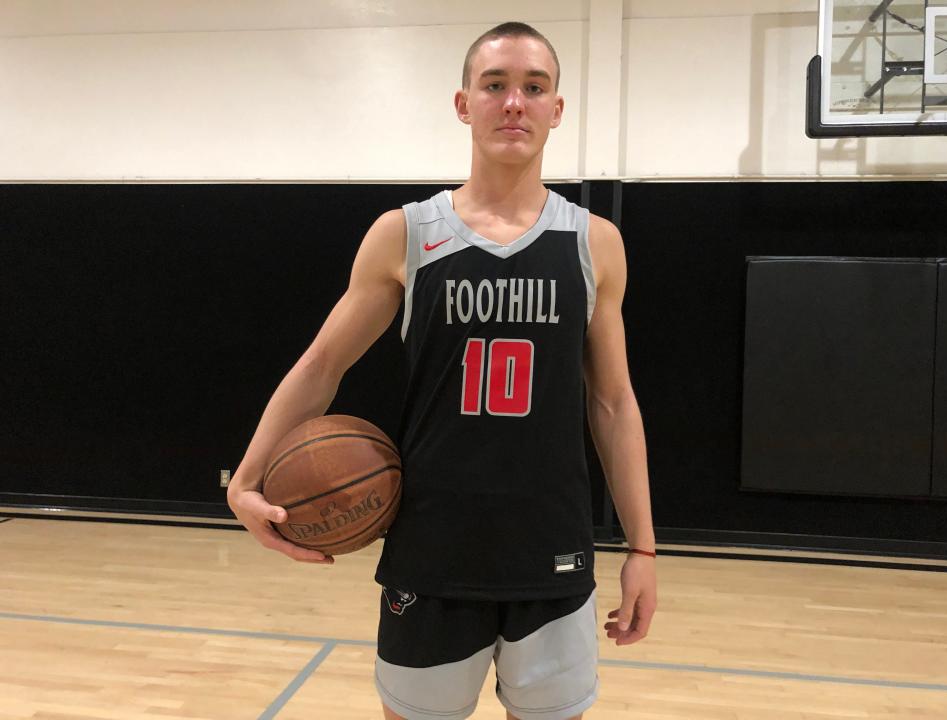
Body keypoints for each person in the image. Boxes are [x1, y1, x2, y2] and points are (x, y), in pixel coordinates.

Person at [227, 21, 656, 720]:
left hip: (550, 553)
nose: (513, 102)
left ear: (556, 109)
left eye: (533, 87)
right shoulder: (406, 233)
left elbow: (613, 402)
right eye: (495, 86)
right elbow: (322, 363)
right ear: (464, 104)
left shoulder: (594, 242)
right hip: (431, 554)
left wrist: (643, 547)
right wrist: (244, 479)